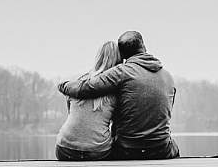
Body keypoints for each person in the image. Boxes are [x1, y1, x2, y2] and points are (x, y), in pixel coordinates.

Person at [57, 30, 179, 160]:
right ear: (144, 47)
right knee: (174, 149)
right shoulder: (168, 77)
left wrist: (63, 85)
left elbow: (86, 88)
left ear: (123, 55)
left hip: (127, 150)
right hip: (161, 149)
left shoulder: (122, 72)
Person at [54, 40, 121, 160]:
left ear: (98, 57)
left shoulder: (78, 83)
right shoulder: (117, 90)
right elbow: (116, 126)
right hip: (98, 152)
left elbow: (71, 113)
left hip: (65, 149)